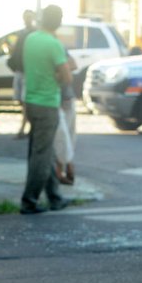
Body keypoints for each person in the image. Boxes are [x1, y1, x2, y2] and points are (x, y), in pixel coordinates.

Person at [19, 4, 71, 215]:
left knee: (44, 150)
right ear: (58, 22)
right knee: (41, 155)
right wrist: (55, 79)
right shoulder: (54, 44)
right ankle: (29, 200)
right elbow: (67, 76)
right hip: (47, 102)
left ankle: (55, 196)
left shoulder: (31, 39)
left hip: (30, 101)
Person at [6, 9, 35, 139]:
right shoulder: (21, 33)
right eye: (26, 17)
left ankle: (24, 127)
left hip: (28, 71)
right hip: (19, 70)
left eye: (30, 17)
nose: (27, 19)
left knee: (25, 100)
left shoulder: (34, 33)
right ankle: (29, 123)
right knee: (20, 99)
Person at [53, 50, 78, 186]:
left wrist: (57, 73)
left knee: (64, 135)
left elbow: (73, 65)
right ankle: (66, 168)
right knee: (64, 135)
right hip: (60, 97)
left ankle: (64, 169)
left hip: (62, 97)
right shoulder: (55, 46)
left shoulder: (56, 46)